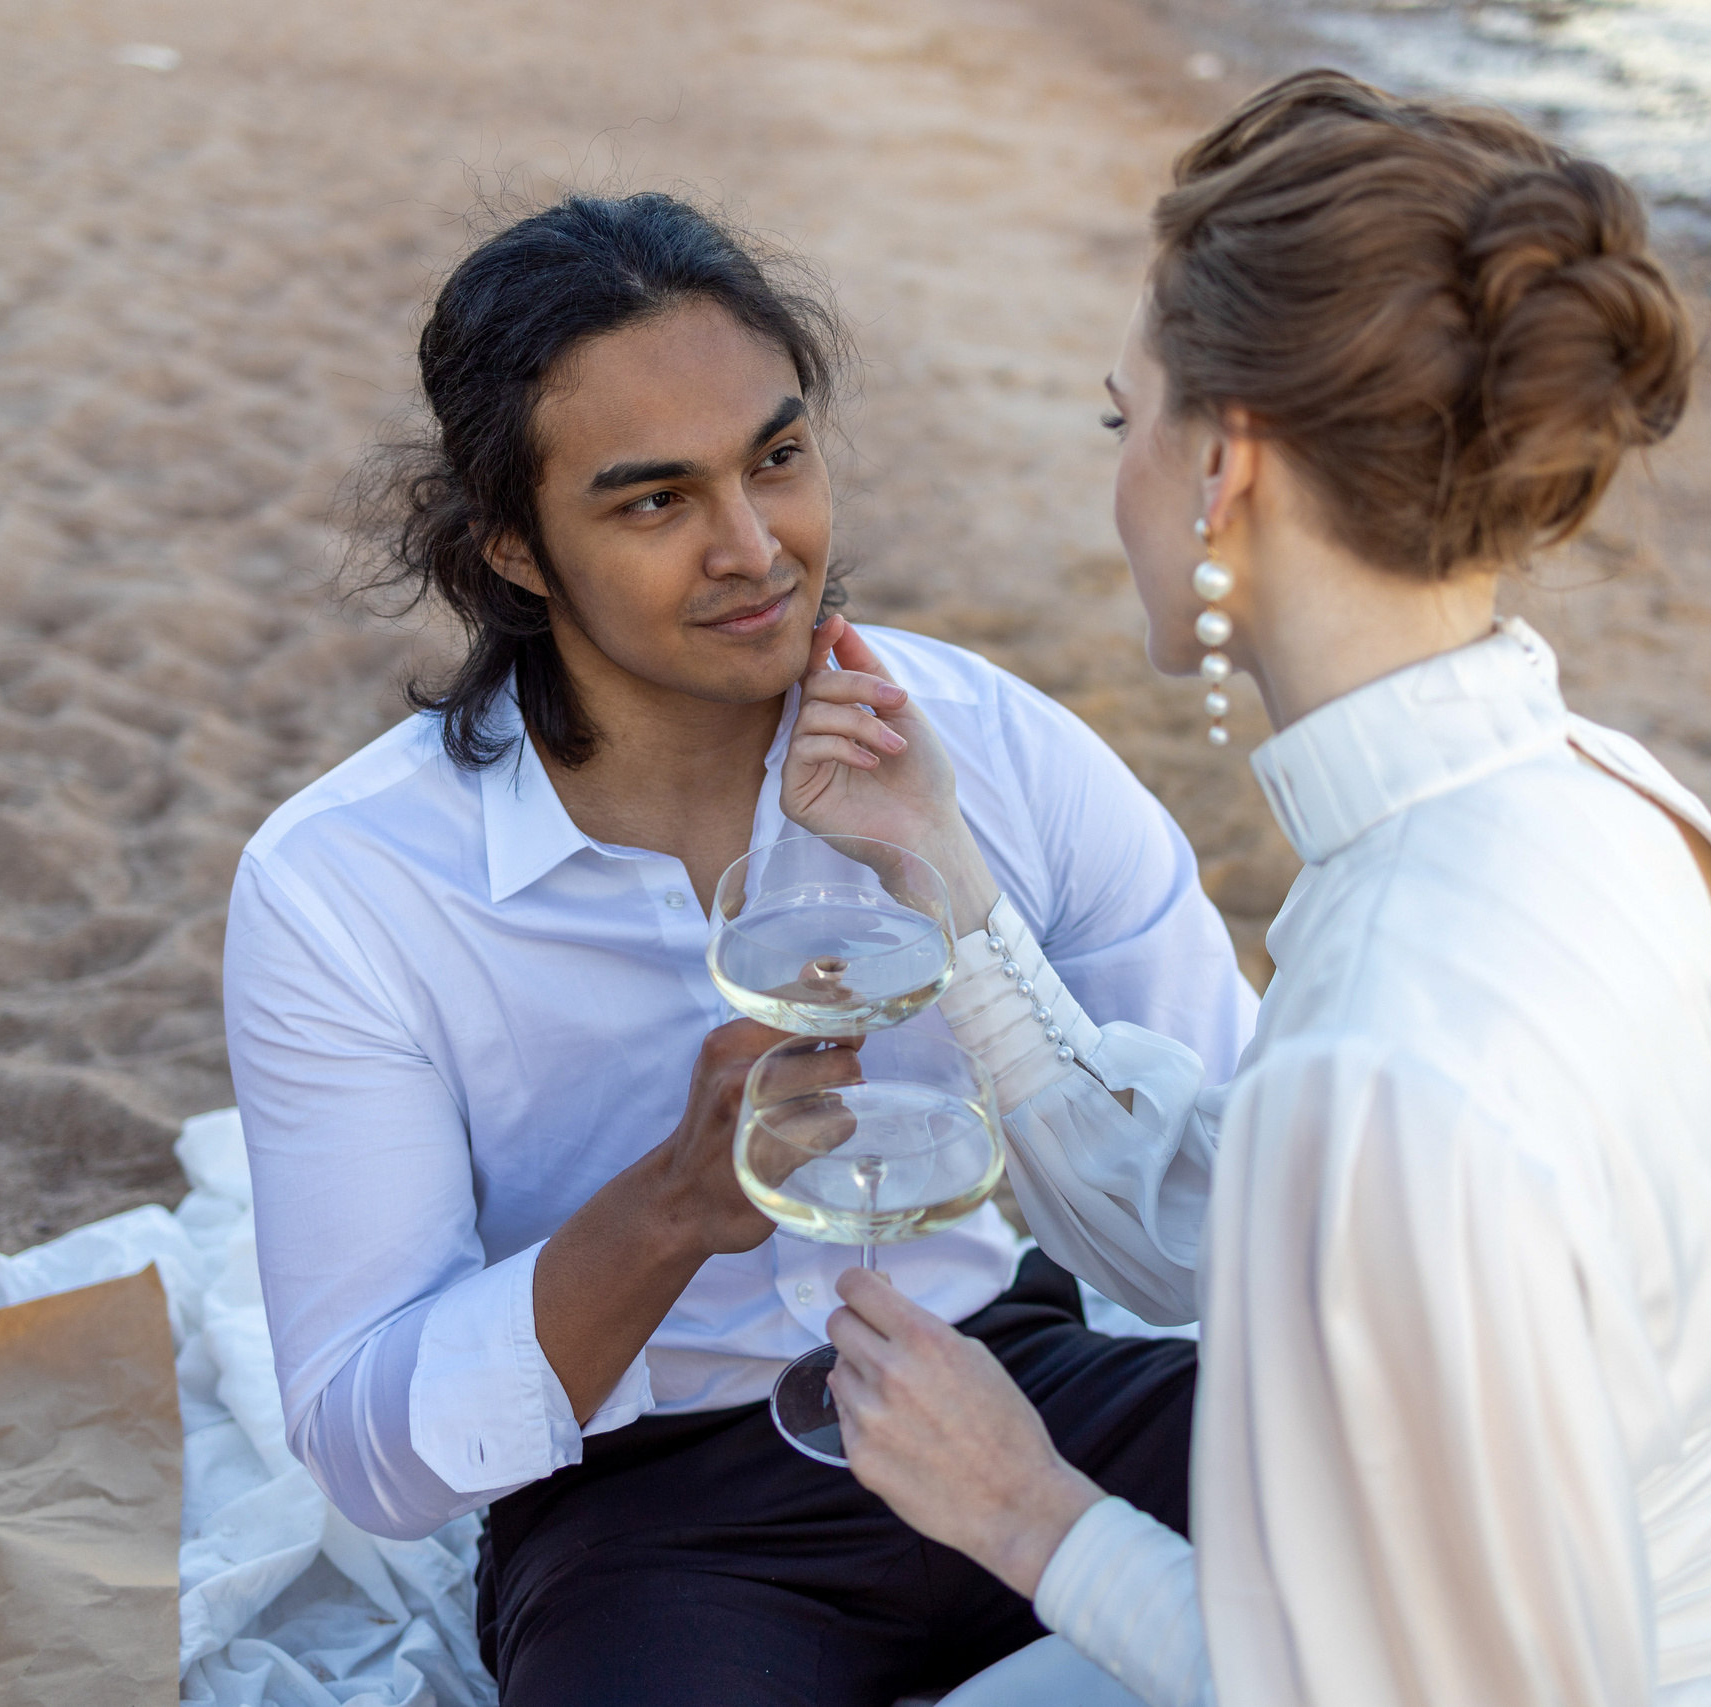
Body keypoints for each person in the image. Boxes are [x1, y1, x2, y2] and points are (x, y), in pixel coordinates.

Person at [788, 72, 1711, 1707]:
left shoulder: (1388, 1039)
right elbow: (1229, 1224)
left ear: (1225, 467)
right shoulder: (1618, 802)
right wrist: (942, 861)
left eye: (1125, 422)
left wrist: (1024, 1509)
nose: (1118, 475)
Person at [219, 192, 1258, 1705]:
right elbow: (369, 1450)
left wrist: (950, 882)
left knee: (1453, 1529)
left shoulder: (988, 745)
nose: (756, 550)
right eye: (656, 502)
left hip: (1021, 1381)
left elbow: (1250, 1197)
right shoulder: (346, 887)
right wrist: (668, 1209)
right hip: (662, 1517)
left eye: (777, 458)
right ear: (512, 547)